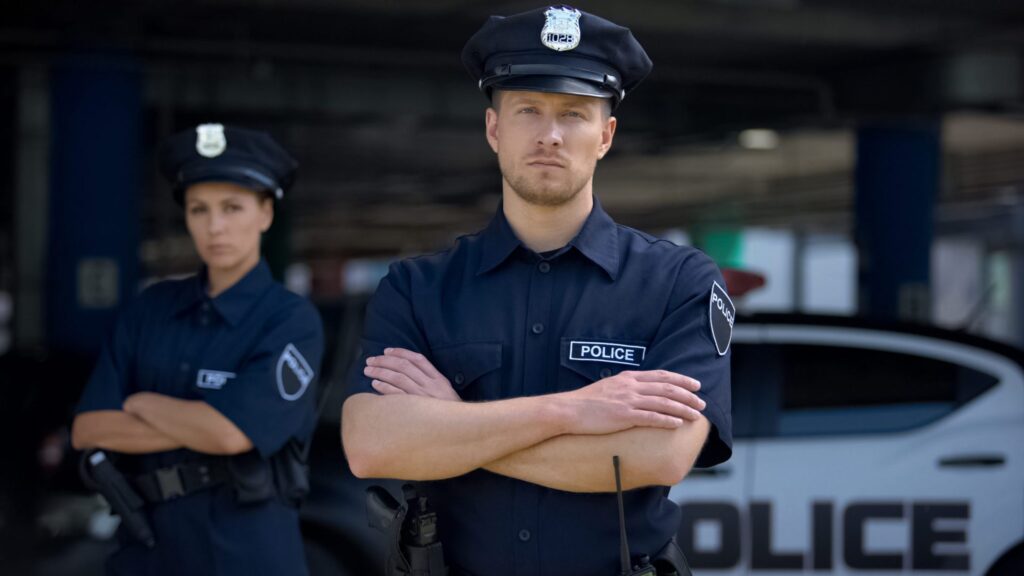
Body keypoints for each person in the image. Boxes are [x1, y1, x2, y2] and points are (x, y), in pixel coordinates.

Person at [341, 6, 734, 576]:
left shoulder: (679, 283)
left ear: (606, 135)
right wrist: (574, 411)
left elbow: (660, 455)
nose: (550, 134)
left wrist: (454, 425)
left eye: (574, 113)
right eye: (528, 109)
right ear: (494, 128)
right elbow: (372, 444)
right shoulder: (417, 288)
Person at [71, 123, 324, 576]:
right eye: (198, 209)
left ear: (266, 214)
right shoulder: (149, 311)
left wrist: (141, 403)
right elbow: (88, 428)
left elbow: (230, 434)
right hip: (146, 547)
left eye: (232, 207)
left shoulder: (289, 320)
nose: (215, 226)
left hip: (246, 553)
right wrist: (201, 424)